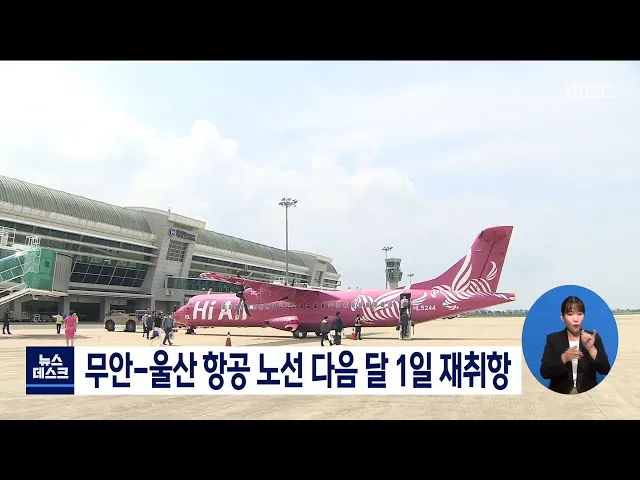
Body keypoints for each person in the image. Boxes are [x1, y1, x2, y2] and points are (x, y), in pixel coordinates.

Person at [540, 295, 611, 394]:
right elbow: (544, 372)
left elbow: (605, 370)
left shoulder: (593, 338)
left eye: (580, 314)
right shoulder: (553, 339)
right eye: (570, 314)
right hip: (561, 394)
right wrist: (564, 358)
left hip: (587, 394)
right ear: (562, 317)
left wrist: (591, 349)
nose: (576, 319)